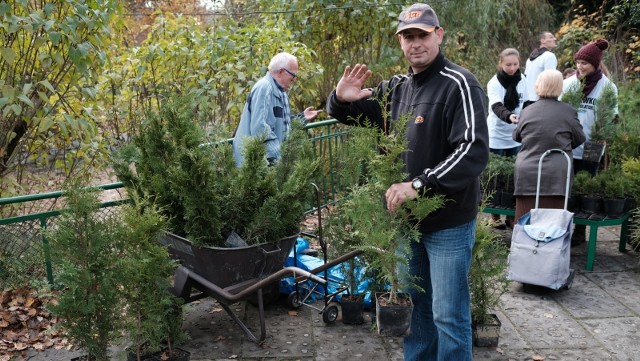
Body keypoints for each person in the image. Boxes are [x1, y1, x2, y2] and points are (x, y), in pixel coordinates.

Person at [325, 3, 489, 360]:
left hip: (448, 224)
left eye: (423, 35)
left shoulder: (460, 84)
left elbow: (473, 151)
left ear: (439, 35)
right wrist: (339, 101)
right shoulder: (396, 89)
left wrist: (418, 185)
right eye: (408, 36)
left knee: (449, 315)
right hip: (407, 224)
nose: (415, 43)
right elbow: (354, 113)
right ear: (401, 42)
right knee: (420, 308)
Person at [561, 39, 619, 245]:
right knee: (566, 187)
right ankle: (563, 228)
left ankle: (580, 230)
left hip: (593, 145)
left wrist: (604, 137)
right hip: (568, 144)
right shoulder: (568, 84)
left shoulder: (607, 87)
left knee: (586, 188)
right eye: (577, 62)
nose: (580, 66)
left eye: (584, 63)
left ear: (595, 63)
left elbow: (612, 117)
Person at [513, 69, 586, 223]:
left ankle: (523, 247)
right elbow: (580, 138)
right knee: (552, 226)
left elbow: (516, 136)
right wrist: (562, 144)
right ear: (560, 87)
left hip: (527, 172)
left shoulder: (527, 111)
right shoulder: (569, 112)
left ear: (538, 85)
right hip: (557, 175)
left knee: (524, 222)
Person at [232, 52, 322, 166]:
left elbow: (281, 126)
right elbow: (259, 128)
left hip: (269, 162)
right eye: (293, 76)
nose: (294, 80)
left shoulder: (280, 91)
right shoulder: (264, 88)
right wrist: (279, 156)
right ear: (281, 72)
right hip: (254, 164)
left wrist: (302, 117)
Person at [486, 48, 528, 229]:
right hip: (496, 134)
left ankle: (511, 215)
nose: (512, 68)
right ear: (501, 64)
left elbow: (527, 102)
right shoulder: (494, 83)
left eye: (515, 64)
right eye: (508, 65)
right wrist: (509, 116)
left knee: (514, 176)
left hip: (515, 136)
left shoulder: (523, 80)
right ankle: (494, 216)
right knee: (495, 177)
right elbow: (496, 106)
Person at [524, 31, 558, 102]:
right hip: (541, 100)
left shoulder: (530, 59)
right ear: (542, 40)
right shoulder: (549, 56)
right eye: (551, 37)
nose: (554, 39)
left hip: (528, 99)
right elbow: (550, 80)